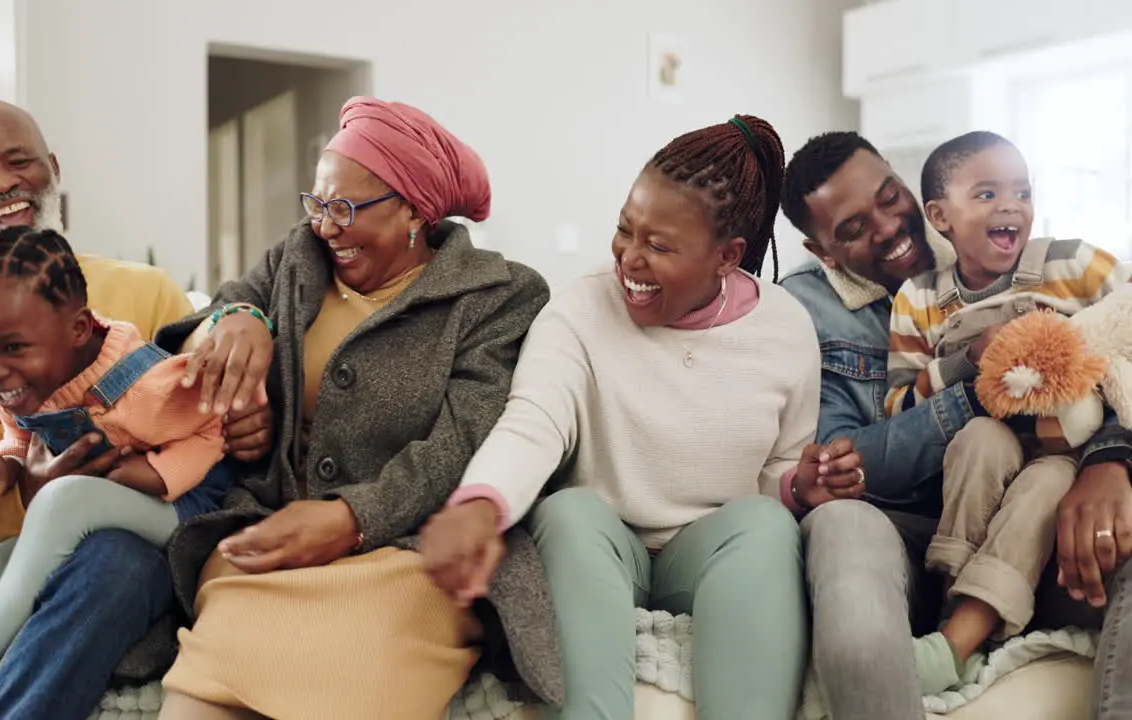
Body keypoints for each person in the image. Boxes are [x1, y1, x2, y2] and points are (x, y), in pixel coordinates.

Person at [421, 115, 863, 720]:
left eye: (658, 245)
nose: (630, 258)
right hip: (603, 547)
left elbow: (778, 469)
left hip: (708, 552)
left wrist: (799, 485)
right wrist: (479, 503)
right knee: (570, 511)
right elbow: (534, 421)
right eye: (625, 231)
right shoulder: (579, 308)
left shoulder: (784, 328)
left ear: (727, 257)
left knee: (765, 525)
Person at [0, 98, 272, 720]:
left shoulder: (144, 291)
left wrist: (246, 422)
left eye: (18, 161)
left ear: (51, 168)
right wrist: (20, 485)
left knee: (116, 566)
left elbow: (200, 413)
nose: (0, 183)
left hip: (114, 544)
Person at [149, 96, 554, 720]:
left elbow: (464, 440)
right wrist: (236, 318)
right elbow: (222, 307)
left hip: (409, 552)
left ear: (415, 211)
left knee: (361, 674)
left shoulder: (497, 296)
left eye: (343, 208)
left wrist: (349, 520)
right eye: (316, 203)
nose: (325, 226)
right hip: (273, 528)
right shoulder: (296, 259)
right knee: (207, 685)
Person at [780, 130, 1132, 720]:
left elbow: (1110, 339)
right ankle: (954, 627)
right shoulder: (818, 310)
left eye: (891, 198)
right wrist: (982, 380)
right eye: (852, 228)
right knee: (966, 450)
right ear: (823, 252)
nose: (889, 227)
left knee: (1062, 490)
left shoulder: (1032, 255)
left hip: (1054, 477)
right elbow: (853, 455)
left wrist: (1109, 459)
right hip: (926, 519)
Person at [885, 131, 1130, 694]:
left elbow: (1128, 324)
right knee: (978, 441)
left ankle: (958, 642)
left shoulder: (1073, 261)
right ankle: (953, 609)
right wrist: (969, 359)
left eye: (1021, 190)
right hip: (976, 440)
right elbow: (898, 410)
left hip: (1062, 445)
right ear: (940, 216)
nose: (1011, 206)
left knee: (1043, 486)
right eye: (988, 193)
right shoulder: (917, 299)